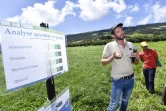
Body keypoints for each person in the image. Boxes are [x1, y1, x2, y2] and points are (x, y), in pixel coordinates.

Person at [101, 23, 139, 111]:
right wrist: (113, 57)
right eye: (118, 31)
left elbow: (136, 63)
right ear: (113, 36)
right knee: (114, 105)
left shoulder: (130, 45)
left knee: (125, 101)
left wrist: (136, 58)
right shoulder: (109, 46)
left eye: (121, 30)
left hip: (130, 79)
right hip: (118, 80)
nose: (121, 32)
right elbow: (103, 62)